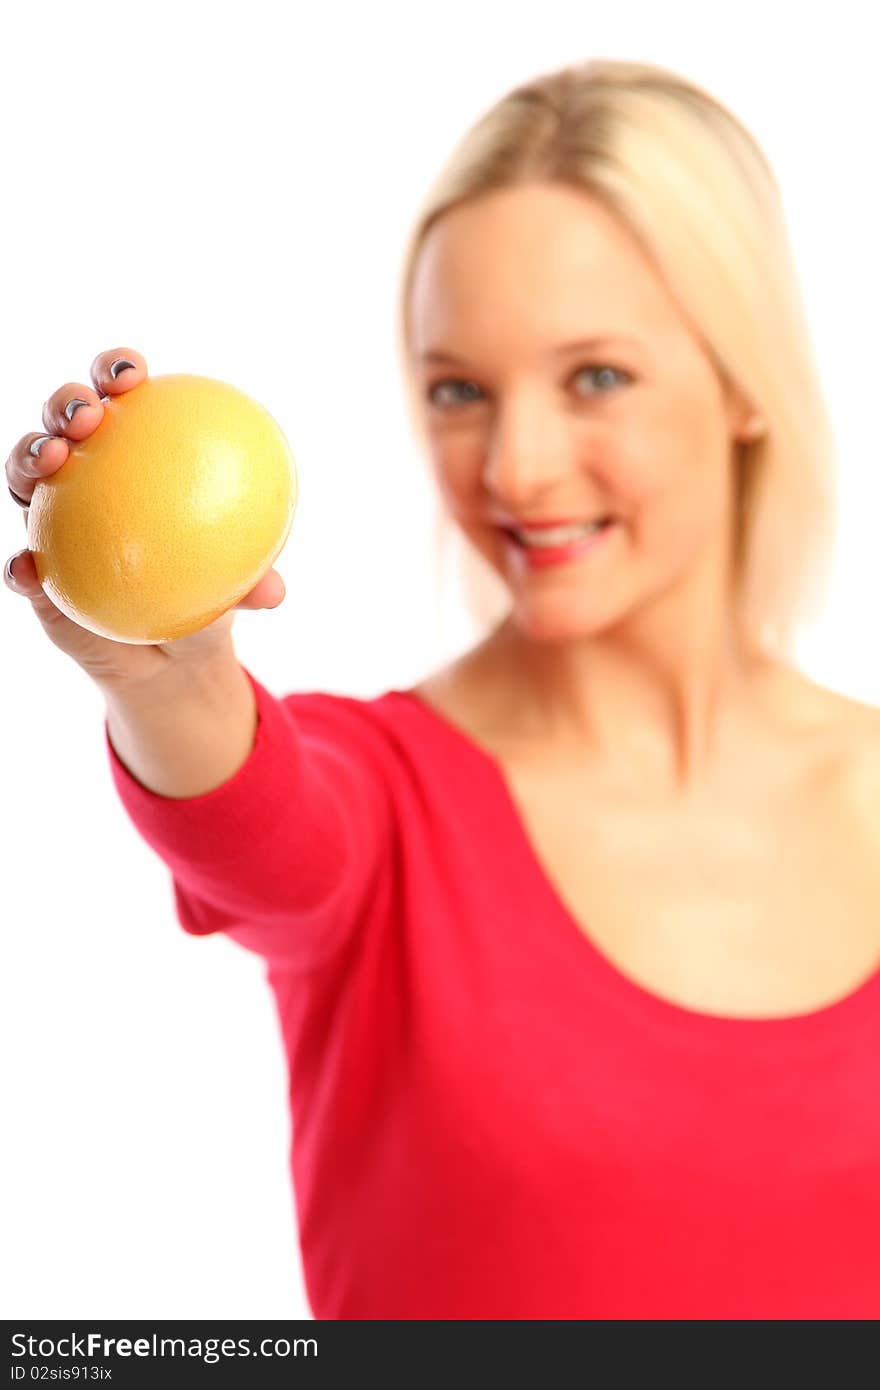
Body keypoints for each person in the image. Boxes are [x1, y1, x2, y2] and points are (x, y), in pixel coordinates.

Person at [6, 57, 880, 1320]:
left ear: (743, 379)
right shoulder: (387, 807)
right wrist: (169, 671)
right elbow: (262, 828)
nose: (516, 467)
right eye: (459, 389)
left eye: (595, 376)